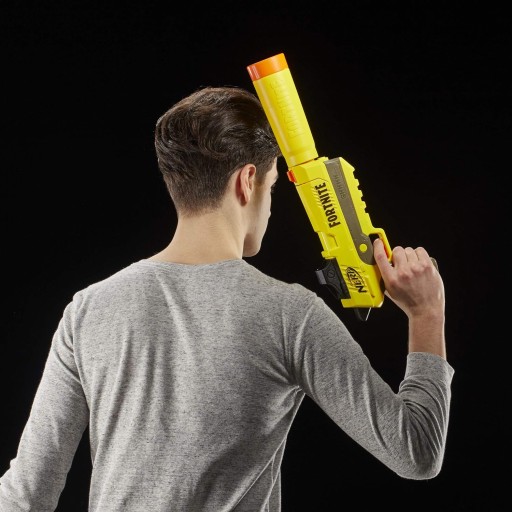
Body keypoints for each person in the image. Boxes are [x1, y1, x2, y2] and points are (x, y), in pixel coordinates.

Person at [0, 85, 454, 512]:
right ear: (247, 181)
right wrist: (426, 312)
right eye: (272, 187)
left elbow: (25, 495)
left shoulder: (87, 310)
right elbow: (416, 452)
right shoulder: (288, 315)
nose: (270, 205)